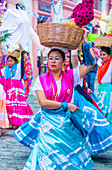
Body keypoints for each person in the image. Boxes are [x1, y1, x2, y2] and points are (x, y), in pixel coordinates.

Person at [13, 28, 97, 169]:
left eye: (57, 58)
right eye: (50, 58)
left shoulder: (72, 76)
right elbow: (43, 103)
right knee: (47, 159)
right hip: (48, 126)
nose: (52, 61)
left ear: (64, 62)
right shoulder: (40, 80)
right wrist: (66, 105)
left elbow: (91, 63)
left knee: (68, 160)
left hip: (67, 126)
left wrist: (86, 40)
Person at [0, 0, 47, 98]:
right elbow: (3, 37)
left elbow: (30, 30)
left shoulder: (22, 11)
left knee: (24, 89)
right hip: (11, 58)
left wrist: (42, 47)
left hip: (24, 56)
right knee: (9, 91)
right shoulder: (5, 13)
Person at [0, 43, 33, 130]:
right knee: (9, 106)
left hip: (17, 91)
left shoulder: (18, 67)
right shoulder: (5, 70)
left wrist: (22, 47)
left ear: (15, 61)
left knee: (18, 106)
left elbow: (25, 58)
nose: (9, 63)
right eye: (8, 61)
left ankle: (19, 122)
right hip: (8, 90)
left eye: (11, 61)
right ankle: (11, 122)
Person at [97, 46, 112, 123]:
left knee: (108, 107)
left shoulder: (111, 63)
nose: (102, 56)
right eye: (101, 54)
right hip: (101, 88)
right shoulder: (101, 64)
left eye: (104, 54)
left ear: (109, 55)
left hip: (108, 90)